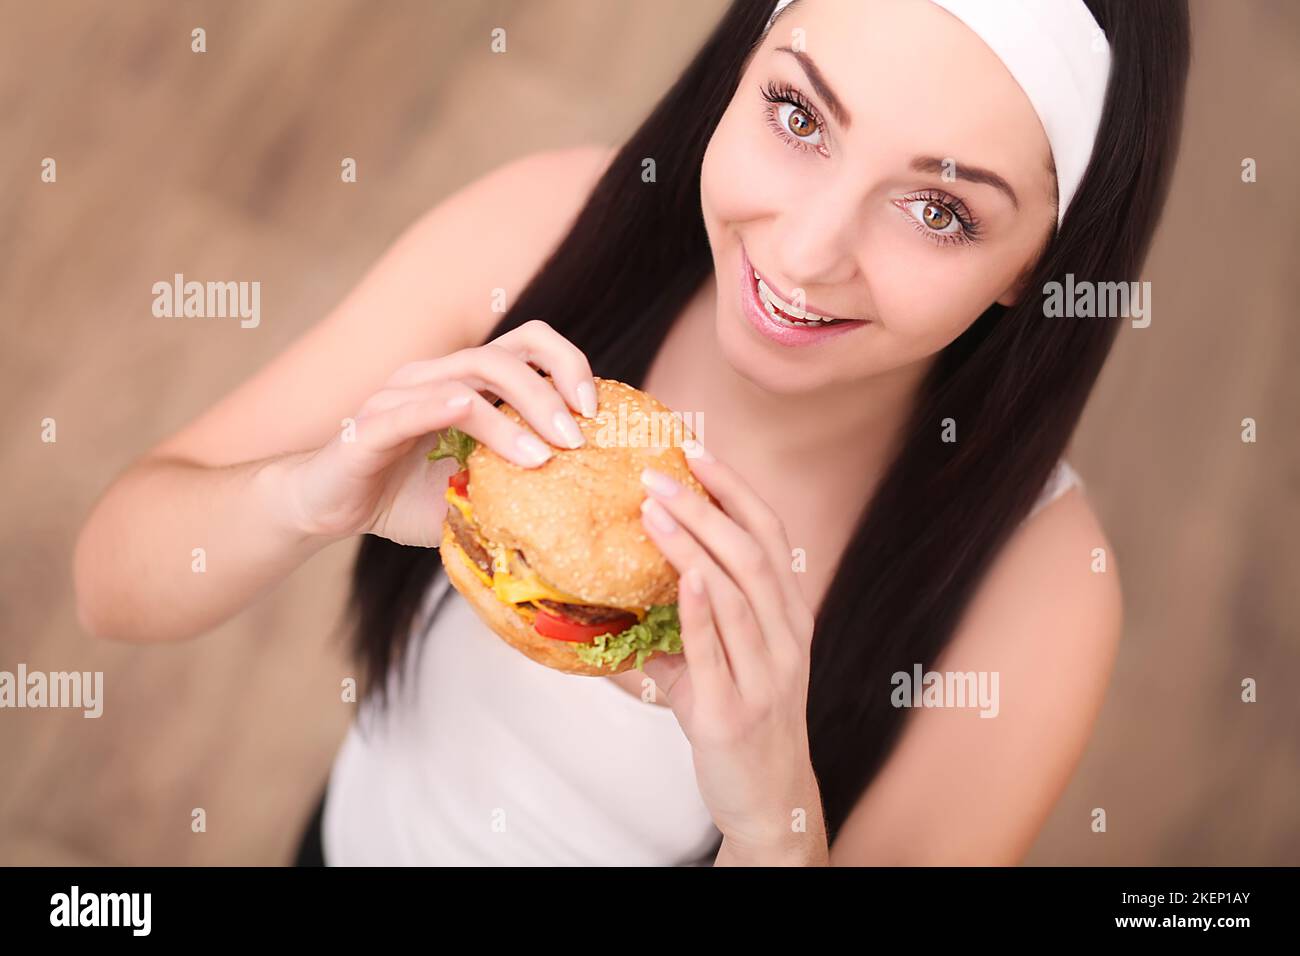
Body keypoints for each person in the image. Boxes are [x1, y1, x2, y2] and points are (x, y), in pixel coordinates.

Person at [75, 0, 1190, 865]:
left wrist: (772, 818)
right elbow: (110, 582)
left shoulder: (1042, 584)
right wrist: (308, 496)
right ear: (743, 65)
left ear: (1037, 266)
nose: (804, 254)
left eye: (940, 209)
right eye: (798, 116)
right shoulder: (539, 234)